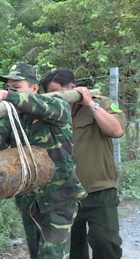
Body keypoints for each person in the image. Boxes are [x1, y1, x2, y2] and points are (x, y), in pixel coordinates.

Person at [0, 63, 87, 259]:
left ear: (34, 88)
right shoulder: (11, 117)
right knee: (36, 255)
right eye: (8, 88)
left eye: (16, 87)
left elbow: (45, 106)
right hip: (30, 200)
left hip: (59, 198)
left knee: (52, 255)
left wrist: (7, 96)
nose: (9, 91)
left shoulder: (55, 105)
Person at [41, 69, 126, 259]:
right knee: (72, 250)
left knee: (106, 242)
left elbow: (117, 130)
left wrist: (90, 103)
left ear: (72, 88)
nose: (55, 98)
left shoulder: (101, 103)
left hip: (100, 189)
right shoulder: (50, 114)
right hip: (66, 193)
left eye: (58, 92)